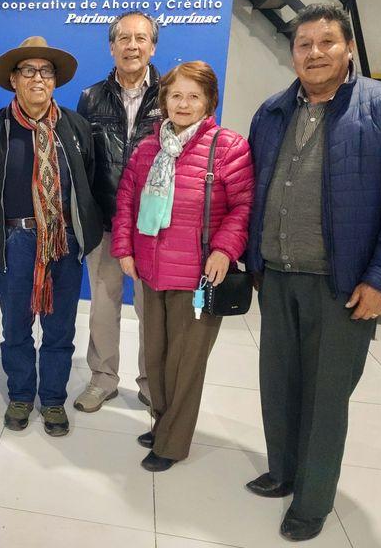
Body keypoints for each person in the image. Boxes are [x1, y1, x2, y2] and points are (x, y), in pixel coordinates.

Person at [244, 3, 381, 541]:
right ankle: (283, 472)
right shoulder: (272, 112)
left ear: (348, 48)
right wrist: (254, 259)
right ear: (293, 54)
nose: (315, 53)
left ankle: (312, 501)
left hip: (342, 285)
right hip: (277, 276)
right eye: (304, 44)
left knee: (325, 399)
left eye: (326, 42)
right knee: (279, 386)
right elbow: (254, 188)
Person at [111, 60, 253, 472]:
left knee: (185, 363)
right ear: (164, 100)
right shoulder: (148, 149)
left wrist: (224, 250)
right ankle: (162, 423)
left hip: (198, 275)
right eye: (176, 95)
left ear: (209, 102)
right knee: (155, 356)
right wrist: (124, 249)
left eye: (194, 96)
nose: (184, 104)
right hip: (151, 270)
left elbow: (244, 206)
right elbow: (126, 202)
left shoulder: (228, 147)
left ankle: (172, 443)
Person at [0, 36, 103, 437]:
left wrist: (82, 233)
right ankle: (20, 395)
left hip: (63, 242)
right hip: (15, 242)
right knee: (15, 326)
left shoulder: (75, 127)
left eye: (46, 71)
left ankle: (52, 399)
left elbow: (90, 181)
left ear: (55, 80)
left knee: (59, 328)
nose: (38, 78)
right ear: (13, 79)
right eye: (29, 71)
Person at [74, 10, 163, 413]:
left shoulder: (171, 94)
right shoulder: (90, 98)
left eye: (141, 38)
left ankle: (152, 382)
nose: (132, 46)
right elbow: (83, 161)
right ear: (111, 47)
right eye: (123, 38)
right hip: (106, 221)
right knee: (104, 305)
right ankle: (103, 378)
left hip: (154, 225)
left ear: (152, 47)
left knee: (152, 310)